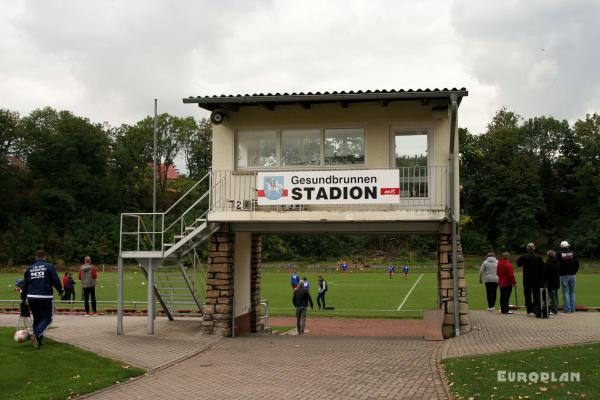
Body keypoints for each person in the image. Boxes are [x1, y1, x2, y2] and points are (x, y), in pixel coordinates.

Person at [20, 250, 63, 348]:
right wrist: (60, 291)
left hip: (31, 297)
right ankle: (36, 334)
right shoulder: (49, 266)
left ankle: (38, 341)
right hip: (45, 296)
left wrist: (23, 298)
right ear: (45, 257)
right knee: (48, 318)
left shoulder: (29, 269)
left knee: (37, 319)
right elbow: (55, 280)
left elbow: (25, 285)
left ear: (36, 257)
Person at [516, 243, 544, 316]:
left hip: (527, 279)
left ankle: (529, 310)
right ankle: (536, 309)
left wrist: (518, 259)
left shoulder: (523, 257)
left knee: (527, 294)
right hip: (537, 279)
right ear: (534, 248)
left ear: (527, 249)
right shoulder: (539, 257)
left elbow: (518, 264)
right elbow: (542, 269)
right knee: (536, 294)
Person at [557, 241, 579, 313]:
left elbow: (557, 264)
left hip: (564, 275)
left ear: (561, 247)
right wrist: (574, 271)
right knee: (572, 292)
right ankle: (573, 308)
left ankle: (567, 309)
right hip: (572, 275)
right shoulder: (573, 253)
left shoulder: (559, 254)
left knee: (565, 292)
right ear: (568, 246)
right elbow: (577, 264)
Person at [544, 250, 561, 315]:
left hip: (550, 282)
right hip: (556, 281)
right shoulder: (558, 263)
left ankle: (554, 310)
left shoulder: (547, 263)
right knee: (555, 296)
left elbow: (545, 273)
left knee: (552, 296)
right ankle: (556, 309)